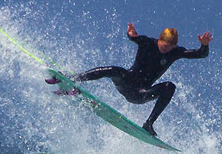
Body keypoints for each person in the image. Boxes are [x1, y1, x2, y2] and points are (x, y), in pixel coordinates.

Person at [48, 23, 212, 137]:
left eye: (169, 47)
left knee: (170, 86)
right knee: (114, 70)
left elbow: (200, 54)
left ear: (174, 46)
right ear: (159, 40)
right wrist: (131, 33)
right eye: (164, 45)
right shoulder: (147, 43)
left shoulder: (175, 52)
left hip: (140, 93)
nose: (166, 49)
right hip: (127, 82)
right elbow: (133, 37)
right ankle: (74, 79)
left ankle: (149, 123)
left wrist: (204, 45)